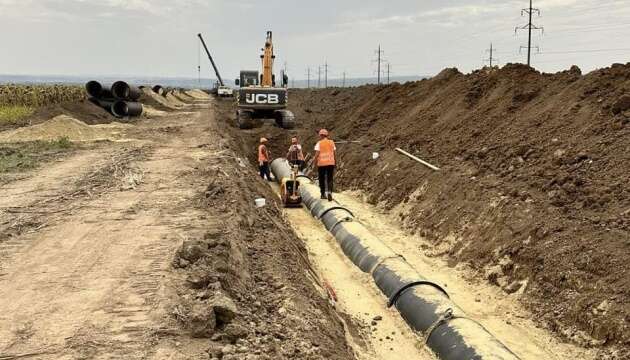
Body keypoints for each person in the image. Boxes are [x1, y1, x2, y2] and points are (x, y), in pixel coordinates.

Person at [313, 129, 336, 201]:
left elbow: (316, 155)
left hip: (322, 164)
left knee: (322, 179)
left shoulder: (319, 143)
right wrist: (336, 162)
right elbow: (335, 153)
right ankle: (329, 192)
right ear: (327, 135)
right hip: (331, 163)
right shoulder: (332, 142)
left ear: (321, 135)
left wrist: (314, 164)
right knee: (330, 178)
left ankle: (323, 194)